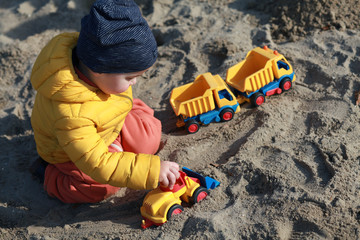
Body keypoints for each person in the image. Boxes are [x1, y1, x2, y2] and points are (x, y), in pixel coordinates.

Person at [30, 0, 180, 203]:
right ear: (100, 69)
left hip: (108, 120)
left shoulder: (96, 66)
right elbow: (98, 164)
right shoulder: (71, 116)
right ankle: (47, 174)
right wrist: (152, 171)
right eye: (129, 77)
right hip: (72, 152)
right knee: (103, 186)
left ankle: (118, 148)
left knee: (149, 138)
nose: (135, 82)